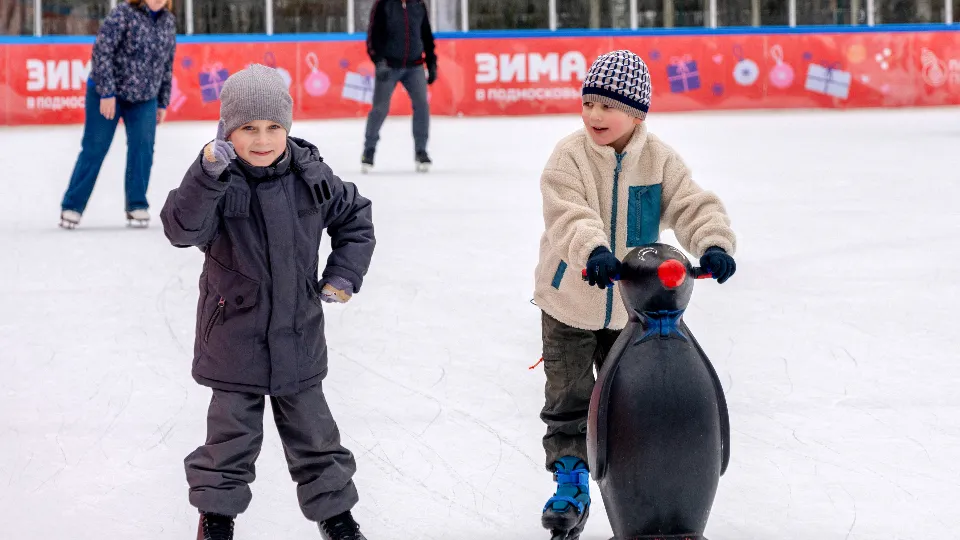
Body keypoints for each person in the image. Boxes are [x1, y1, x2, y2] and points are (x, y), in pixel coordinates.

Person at [159, 64, 376, 540]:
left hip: (298, 335)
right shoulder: (218, 180)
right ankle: (216, 518)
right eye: (248, 129)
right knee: (229, 440)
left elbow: (355, 218)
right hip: (234, 337)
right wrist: (206, 173)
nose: (262, 139)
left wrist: (343, 273)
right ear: (227, 131)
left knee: (316, 438)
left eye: (273, 127)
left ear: (288, 127)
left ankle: (336, 518)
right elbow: (180, 228)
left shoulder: (311, 176)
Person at [532, 50, 738, 538]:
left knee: (630, 405)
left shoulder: (659, 160)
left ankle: (639, 488)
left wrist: (713, 242)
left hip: (631, 313)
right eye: (588, 102)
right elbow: (568, 215)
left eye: (608, 106)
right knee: (569, 399)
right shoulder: (569, 156)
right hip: (569, 305)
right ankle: (571, 479)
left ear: (638, 113)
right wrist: (594, 250)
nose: (595, 115)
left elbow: (692, 204)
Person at [59, 0, 176, 229]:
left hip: (144, 97)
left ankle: (136, 204)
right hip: (107, 93)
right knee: (95, 148)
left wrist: (162, 102)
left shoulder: (168, 21)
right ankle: (72, 205)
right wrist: (107, 92)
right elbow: (102, 51)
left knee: (143, 148)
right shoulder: (123, 13)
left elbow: (167, 64)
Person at [362, 0, 437, 173]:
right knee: (380, 108)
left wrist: (431, 63)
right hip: (389, 65)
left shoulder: (418, 4)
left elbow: (426, 34)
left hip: (415, 65)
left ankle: (421, 150)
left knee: (422, 105)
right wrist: (379, 62)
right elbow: (374, 35)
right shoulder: (384, 4)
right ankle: (369, 150)